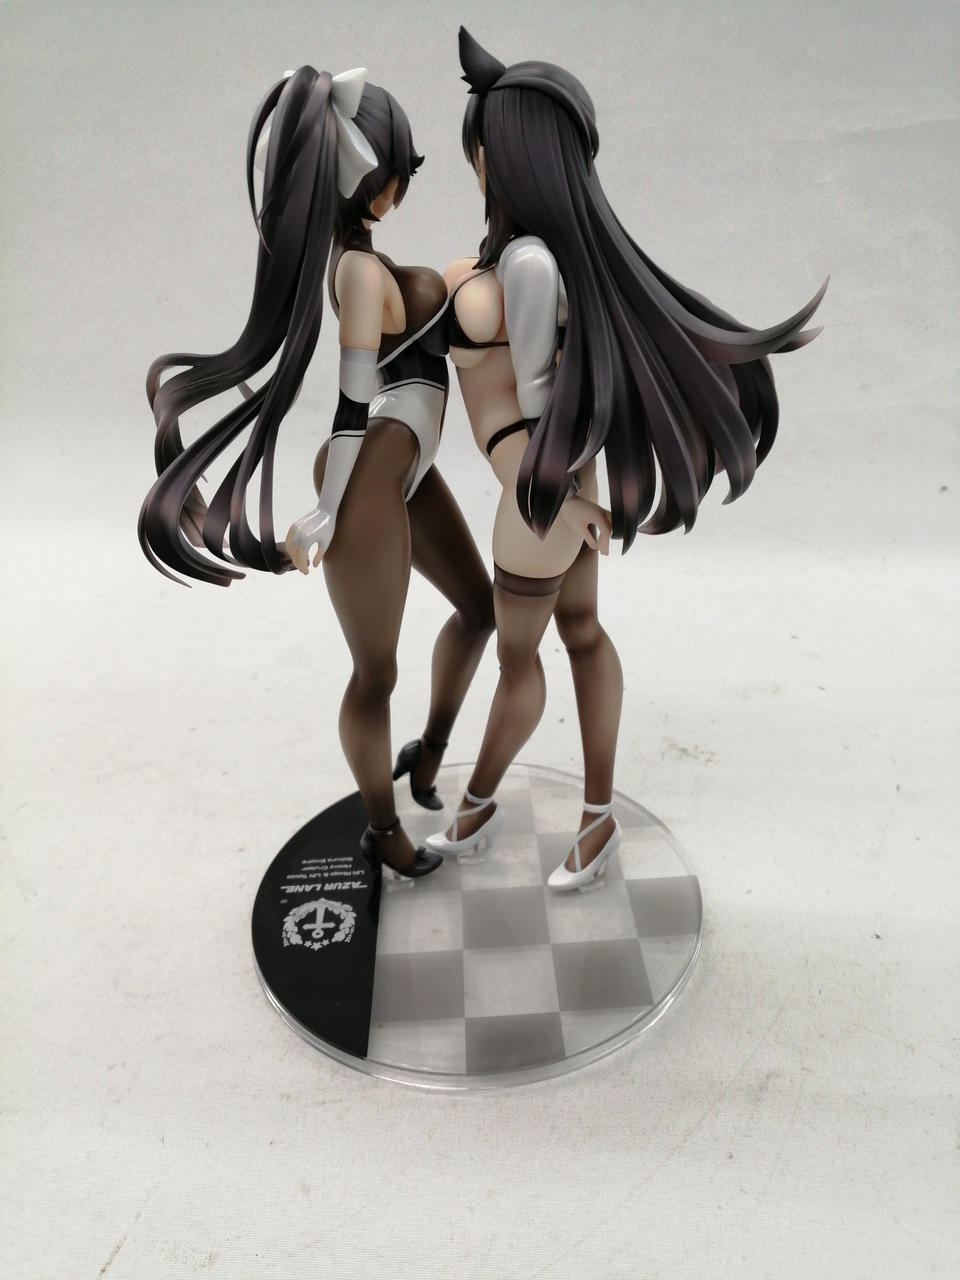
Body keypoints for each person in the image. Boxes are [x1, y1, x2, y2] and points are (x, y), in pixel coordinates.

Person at [427, 30, 826, 890]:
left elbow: (532, 402)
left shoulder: (523, 266)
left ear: (506, 159)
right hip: (564, 481)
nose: (478, 168)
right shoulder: (551, 260)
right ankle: (598, 816)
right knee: (582, 634)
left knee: (520, 663)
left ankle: (477, 805)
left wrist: (555, 497)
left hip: (533, 492)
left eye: (482, 152)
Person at [140, 66, 494, 878]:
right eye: (398, 169)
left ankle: (428, 752)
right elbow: (352, 400)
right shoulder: (360, 272)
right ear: (370, 177)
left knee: (479, 608)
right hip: (367, 475)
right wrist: (330, 507)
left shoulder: (368, 259)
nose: (403, 185)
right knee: (376, 673)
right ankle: (381, 829)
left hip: (400, 468)